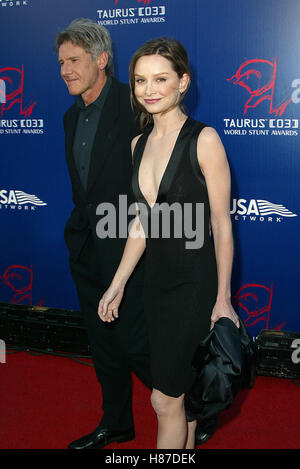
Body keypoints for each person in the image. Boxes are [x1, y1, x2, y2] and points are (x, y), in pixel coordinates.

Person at [98, 37, 240, 449]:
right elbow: (144, 223)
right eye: (140, 81)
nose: (149, 89)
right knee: (181, 403)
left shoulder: (205, 139)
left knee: (164, 400)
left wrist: (223, 298)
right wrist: (119, 282)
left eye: (161, 78)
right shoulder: (137, 144)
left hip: (194, 284)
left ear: (183, 82)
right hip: (155, 286)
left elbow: (221, 224)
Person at [55, 18, 153, 450]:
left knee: (137, 341)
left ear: (101, 59)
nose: (65, 70)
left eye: (74, 60)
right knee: (102, 342)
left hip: (130, 242)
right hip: (87, 243)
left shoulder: (135, 105)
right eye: (61, 62)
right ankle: (117, 423)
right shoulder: (67, 118)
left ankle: (193, 400)